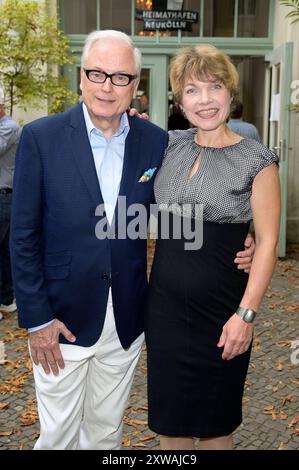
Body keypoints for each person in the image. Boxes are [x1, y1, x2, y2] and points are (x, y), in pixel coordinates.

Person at [11, 31, 254, 450]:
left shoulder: (157, 142)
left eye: (121, 77)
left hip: (127, 317)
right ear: (81, 77)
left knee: (106, 433)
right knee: (58, 435)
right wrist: (37, 320)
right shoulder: (41, 137)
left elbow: (188, 199)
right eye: (98, 74)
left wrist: (240, 238)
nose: (108, 86)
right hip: (61, 319)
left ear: (135, 84)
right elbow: (23, 236)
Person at [145, 44, 280, 450]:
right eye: (191, 90)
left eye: (214, 87)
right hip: (164, 310)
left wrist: (246, 315)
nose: (204, 100)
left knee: (217, 422)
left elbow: (269, 240)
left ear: (230, 94)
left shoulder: (257, 160)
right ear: (179, 99)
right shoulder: (167, 145)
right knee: (170, 422)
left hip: (223, 314)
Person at [0, 86, 20, 321]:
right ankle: (7, 299)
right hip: (5, 198)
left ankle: (6, 299)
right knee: (4, 253)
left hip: (4, 196)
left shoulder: (9, 127)